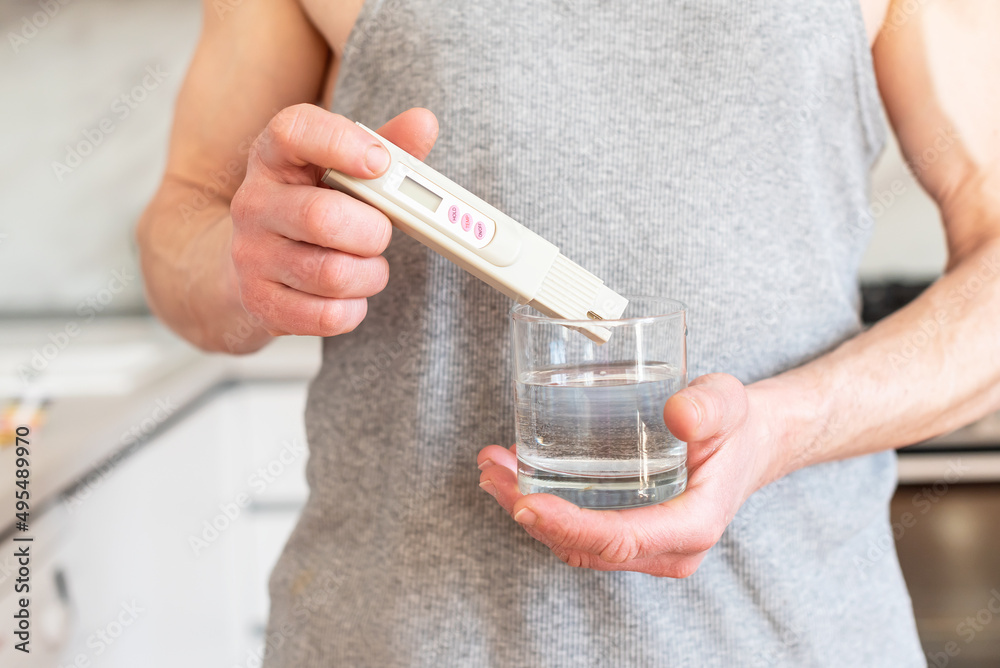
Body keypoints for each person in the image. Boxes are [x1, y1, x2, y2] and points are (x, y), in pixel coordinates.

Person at [137, 0, 999, 665]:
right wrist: (247, 264)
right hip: (393, 638)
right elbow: (184, 223)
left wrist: (786, 427)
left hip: (795, 638)